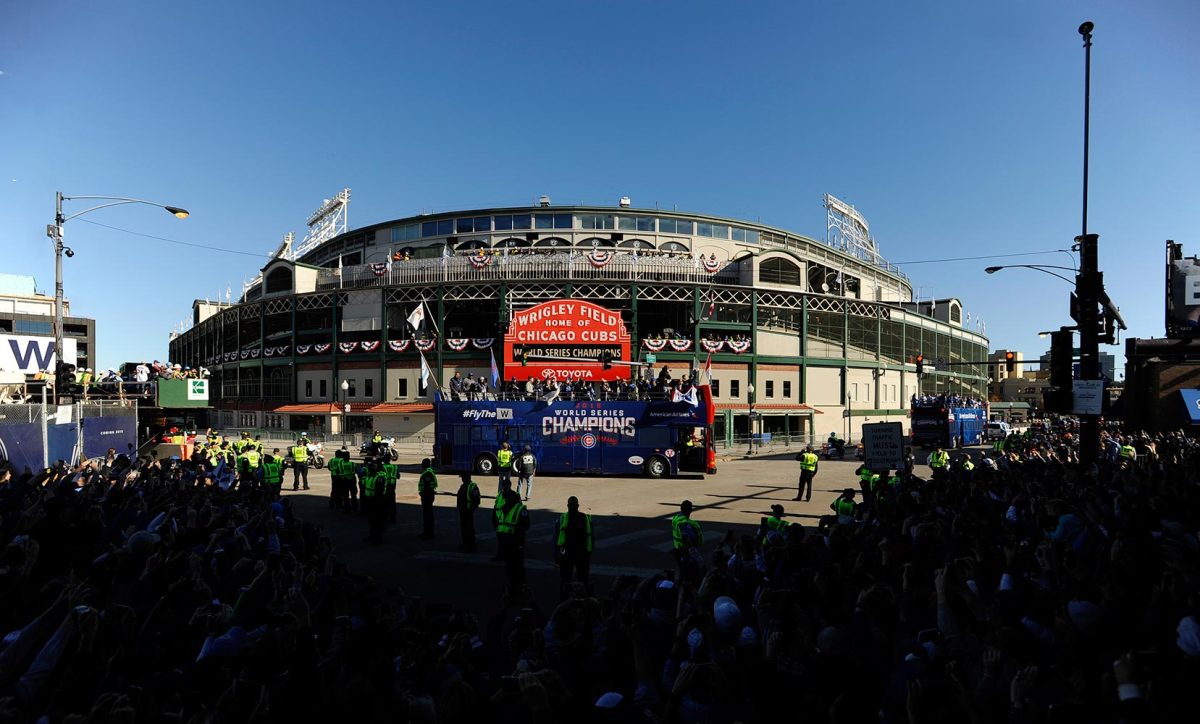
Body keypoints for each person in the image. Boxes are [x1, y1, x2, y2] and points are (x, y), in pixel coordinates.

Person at [554, 495, 593, 598]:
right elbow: (556, 537)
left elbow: (590, 537)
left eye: (573, 505)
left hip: (579, 554)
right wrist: (557, 554)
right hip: (570, 553)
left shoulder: (583, 518)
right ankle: (566, 599)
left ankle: (578, 599)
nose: (572, 507)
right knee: (567, 579)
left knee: (580, 579)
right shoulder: (563, 518)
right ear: (568, 506)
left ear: (577, 506)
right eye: (571, 505)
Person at [493, 479, 529, 586]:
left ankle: (521, 584)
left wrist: (519, 538)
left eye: (506, 485)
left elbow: (525, 525)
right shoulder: (500, 496)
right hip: (502, 531)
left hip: (513, 536)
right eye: (503, 485)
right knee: (509, 563)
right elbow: (496, 510)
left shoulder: (518, 505)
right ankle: (513, 583)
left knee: (517, 563)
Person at [670, 500, 703, 583]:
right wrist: (692, 551)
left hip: (677, 548)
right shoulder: (686, 524)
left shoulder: (676, 517)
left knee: (682, 569)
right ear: (690, 510)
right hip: (684, 551)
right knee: (688, 572)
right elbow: (686, 538)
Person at [360, 458, 387, 545]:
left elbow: (379, 491)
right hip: (369, 501)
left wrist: (374, 501)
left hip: (377, 501)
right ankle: (372, 536)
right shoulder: (369, 476)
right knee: (371, 520)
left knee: (377, 521)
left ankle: (378, 538)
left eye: (370, 467)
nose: (369, 469)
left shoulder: (379, 477)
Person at [456, 472, 481, 552]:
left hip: (468, 510)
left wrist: (471, 510)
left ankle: (471, 544)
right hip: (462, 510)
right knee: (463, 527)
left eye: (463, 477)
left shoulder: (473, 487)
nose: (462, 479)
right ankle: (465, 542)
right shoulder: (463, 486)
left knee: (469, 528)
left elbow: (476, 500)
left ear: (466, 478)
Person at [417, 458, 438, 540]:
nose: (421, 465)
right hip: (428, 494)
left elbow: (427, 486)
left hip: (427, 495)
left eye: (422, 463)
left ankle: (428, 533)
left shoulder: (427, 473)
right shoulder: (428, 472)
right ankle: (428, 532)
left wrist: (422, 493)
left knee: (427, 515)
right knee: (428, 514)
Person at [382, 456, 400, 524]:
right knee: (392, 503)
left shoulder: (382, 467)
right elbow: (398, 476)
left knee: (385, 503)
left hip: (385, 487)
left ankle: (385, 517)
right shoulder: (395, 467)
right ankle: (393, 518)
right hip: (392, 487)